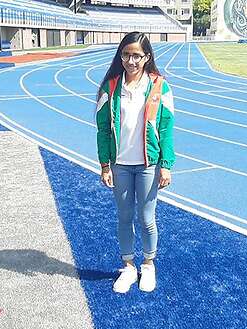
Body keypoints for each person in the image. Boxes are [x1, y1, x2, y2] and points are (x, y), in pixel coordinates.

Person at [95, 32, 175, 294]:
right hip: (120, 164)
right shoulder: (110, 87)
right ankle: (128, 266)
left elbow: (166, 129)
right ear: (121, 56)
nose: (131, 60)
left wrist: (166, 163)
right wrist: (105, 165)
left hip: (148, 164)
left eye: (136, 55)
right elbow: (103, 130)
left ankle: (148, 265)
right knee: (124, 216)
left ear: (147, 57)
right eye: (126, 54)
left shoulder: (160, 87)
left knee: (146, 218)